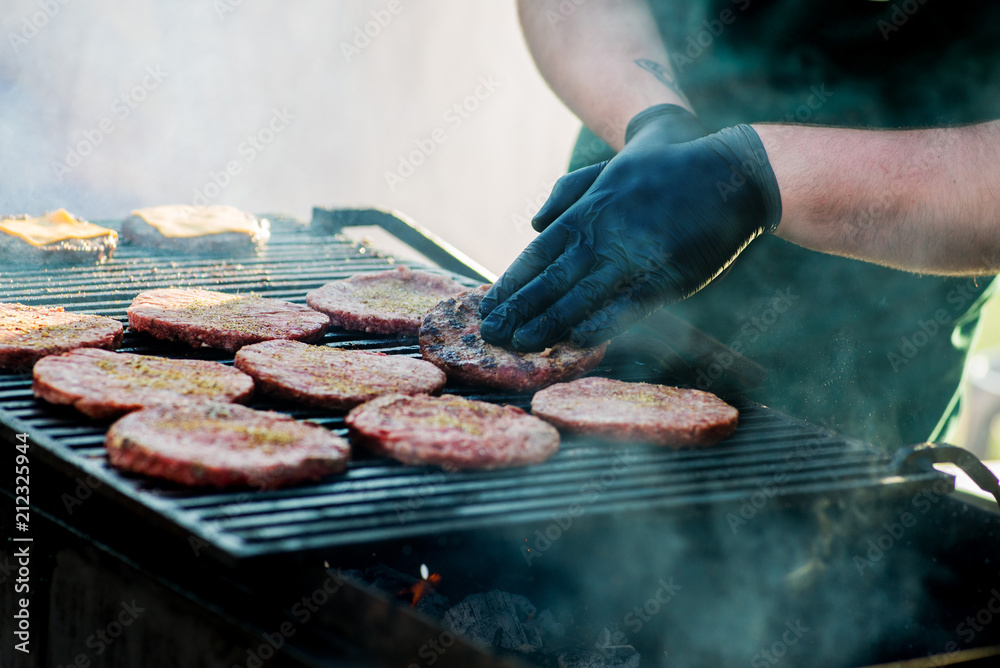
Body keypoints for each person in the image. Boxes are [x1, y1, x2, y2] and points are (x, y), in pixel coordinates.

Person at [479, 0, 1000, 447]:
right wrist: (652, 119)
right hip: (621, 235)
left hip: (863, 345)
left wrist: (750, 173)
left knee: (820, 546)